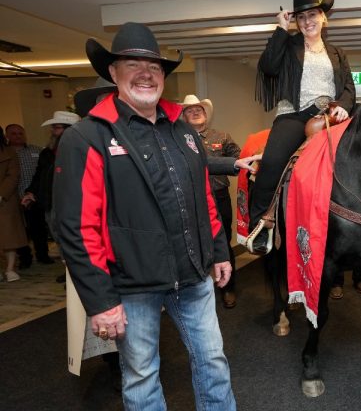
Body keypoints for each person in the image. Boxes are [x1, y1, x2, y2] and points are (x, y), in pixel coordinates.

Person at [53, 22, 235, 410]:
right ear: (113, 73)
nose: (145, 74)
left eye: (154, 67)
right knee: (141, 376)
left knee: (214, 362)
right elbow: (75, 228)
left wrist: (219, 251)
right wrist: (101, 300)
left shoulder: (184, 131)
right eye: (132, 64)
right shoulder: (87, 137)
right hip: (132, 285)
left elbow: (203, 197)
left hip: (193, 275)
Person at [247, 0, 355, 254]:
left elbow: (349, 89)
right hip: (294, 114)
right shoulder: (288, 45)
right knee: (272, 162)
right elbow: (268, 67)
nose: (308, 21)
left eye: (313, 15)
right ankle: (259, 225)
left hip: (329, 114)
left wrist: (342, 106)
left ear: (323, 18)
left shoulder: (338, 53)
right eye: (301, 17)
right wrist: (281, 30)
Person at [181, 94, 241, 308]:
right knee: (192, 244)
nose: (196, 112)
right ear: (184, 116)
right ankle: (194, 292)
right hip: (190, 201)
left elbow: (239, 159)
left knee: (223, 242)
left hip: (219, 198)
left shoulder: (222, 136)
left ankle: (228, 288)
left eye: (199, 109)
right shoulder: (178, 138)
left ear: (206, 115)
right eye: (190, 110)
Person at [22, 110, 79, 282]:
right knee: (59, 238)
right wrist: (31, 192)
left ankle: (78, 273)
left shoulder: (78, 151)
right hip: (50, 203)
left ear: (69, 130)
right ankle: (69, 270)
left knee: (74, 239)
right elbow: (39, 176)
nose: (53, 132)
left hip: (72, 203)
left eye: (57, 128)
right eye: (53, 128)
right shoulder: (47, 153)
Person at [6, 124, 53, 269]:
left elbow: (43, 173)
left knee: (38, 228)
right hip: (13, 198)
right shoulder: (5, 153)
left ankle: (43, 255)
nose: (18, 136)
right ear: (7, 136)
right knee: (20, 231)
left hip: (34, 196)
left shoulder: (37, 151)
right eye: (14, 133)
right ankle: (25, 258)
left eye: (20, 133)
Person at [0, 126, 28, 282]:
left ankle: (10, 268)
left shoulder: (9, 152)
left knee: (9, 237)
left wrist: (2, 194)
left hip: (6, 200)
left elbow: (13, 175)